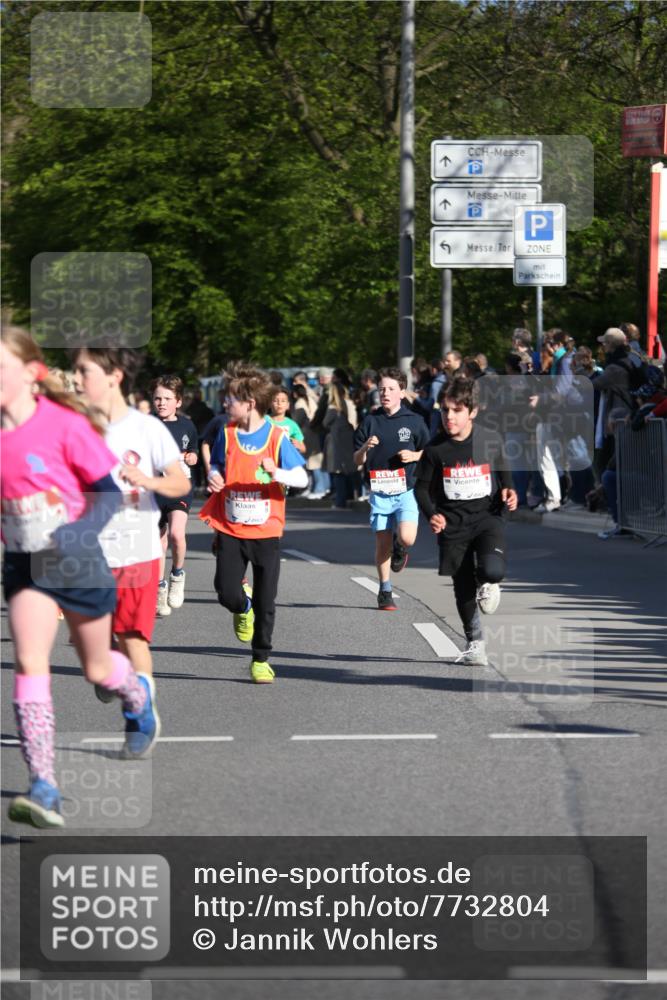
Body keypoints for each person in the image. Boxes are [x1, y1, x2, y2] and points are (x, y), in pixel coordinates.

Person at [1, 326, 158, 828]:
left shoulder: (63, 425)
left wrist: (78, 531)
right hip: (26, 563)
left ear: (31, 374)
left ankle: (137, 698)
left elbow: (108, 494)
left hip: (76, 559)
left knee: (96, 670)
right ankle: (44, 785)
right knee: (29, 660)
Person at [71, 348, 189, 738]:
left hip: (137, 550)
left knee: (133, 637)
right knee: (95, 656)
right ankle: (112, 675)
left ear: (113, 376)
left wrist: (149, 481)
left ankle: (141, 719)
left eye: (83, 372)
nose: (76, 380)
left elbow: (181, 483)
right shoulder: (75, 426)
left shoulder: (146, 428)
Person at [200, 363, 307, 683]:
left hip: (266, 530)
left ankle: (261, 658)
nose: (225, 404)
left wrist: (277, 472)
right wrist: (214, 477)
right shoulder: (227, 433)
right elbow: (217, 466)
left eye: (230, 399)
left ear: (249, 402)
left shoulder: (276, 437)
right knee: (226, 592)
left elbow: (301, 477)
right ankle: (240, 606)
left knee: (266, 598)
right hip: (231, 527)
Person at [415, 376, 518, 666]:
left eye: (456, 410)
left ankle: (489, 581)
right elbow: (421, 488)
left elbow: (503, 470)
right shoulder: (435, 449)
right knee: (462, 586)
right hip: (452, 524)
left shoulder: (490, 438)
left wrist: (510, 490)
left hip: (488, 517)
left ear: (472, 411)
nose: (449, 417)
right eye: (445, 410)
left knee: (493, 570)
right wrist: (431, 514)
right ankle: (475, 643)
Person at [353, 367, 429, 610]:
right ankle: (385, 589)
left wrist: (415, 455)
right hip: (379, 491)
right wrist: (365, 447)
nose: (385, 393)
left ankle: (401, 548)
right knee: (381, 544)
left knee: (407, 536)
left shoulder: (414, 421)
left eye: (391, 389)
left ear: (402, 392)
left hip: (406, 489)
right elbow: (356, 460)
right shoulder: (371, 420)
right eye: (382, 389)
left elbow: (431, 453)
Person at [151, 375, 198, 616]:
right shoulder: (146, 424)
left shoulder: (187, 426)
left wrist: (192, 457)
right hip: (153, 488)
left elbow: (193, 453)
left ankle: (177, 575)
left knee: (177, 534)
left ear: (178, 402)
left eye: (167, 398)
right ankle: (160, 588)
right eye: (158, 398)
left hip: (180, 485)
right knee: (159, 540)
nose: (161, 403)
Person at [323, 382, 358, 509]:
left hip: (336, 440)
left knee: (337, 471)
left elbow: (325, 423)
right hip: (349, 438)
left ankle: (340, 501)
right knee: (349, 468)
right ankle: (352, 496)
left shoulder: (333, 407)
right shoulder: (350, 404)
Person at [270, 386, 306, 454]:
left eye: (283, 401)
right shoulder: (263, 421)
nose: (279, 403)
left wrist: (299, 446)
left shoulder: (292, 424)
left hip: (284, 463)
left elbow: (303, 448)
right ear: (269, 404)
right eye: (275, 400)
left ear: (288, 405)